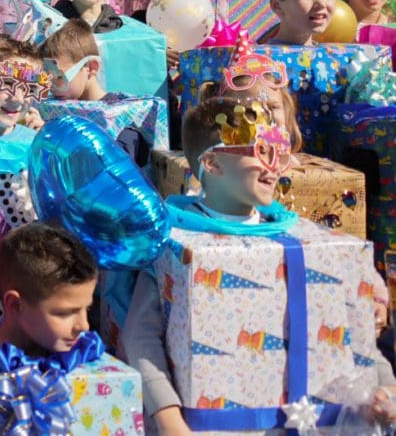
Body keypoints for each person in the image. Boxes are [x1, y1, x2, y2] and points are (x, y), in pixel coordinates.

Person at [121, 97, 395, 436]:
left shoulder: (310, 242)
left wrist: (385, 385)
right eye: (262, 152)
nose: (275, 167)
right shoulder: (172, 244)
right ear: (214, 164)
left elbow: (350, 321)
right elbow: (141, 338)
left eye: (279, 151)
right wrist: (169, 419)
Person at [40, 19, 154, 164]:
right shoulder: (50, 109)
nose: (52, 86)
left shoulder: (121, 119)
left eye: (60, 77)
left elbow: (117, 170)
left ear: (92, 67)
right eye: (45, 79)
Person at [0, 223, 98, 356]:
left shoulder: (87, 354)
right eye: (65, 313)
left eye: (87, 309)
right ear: (15, 304)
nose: (84, 326)